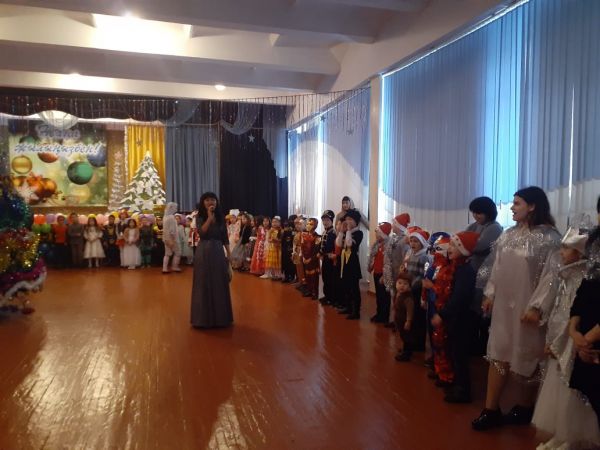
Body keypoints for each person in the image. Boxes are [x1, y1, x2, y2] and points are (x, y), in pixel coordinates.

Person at [472, 186, 561, 431]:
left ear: (532, 206)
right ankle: (490, 409)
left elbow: (552, 276)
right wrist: (490, 293)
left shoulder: (550, 239)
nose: (512, 207)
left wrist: (538, 307)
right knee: (498, 353)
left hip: (528, 309)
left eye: (517, 203)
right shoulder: (508, 235)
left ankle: (525, 406)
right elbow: (496, 267)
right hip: (503, 308)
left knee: (527, 356)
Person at [532, 228, 600, 450]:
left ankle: (574, 436)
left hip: (571, 344)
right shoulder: (567, 276)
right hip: (563, 339)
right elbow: (561, 312)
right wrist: (552, 339)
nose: (561, 252)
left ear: (581, 252)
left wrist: (562, 341)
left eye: (566, 248)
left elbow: (574, 313)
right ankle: (562, 433)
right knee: (558, 392)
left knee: (573, 393)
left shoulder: (582, 278)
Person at [431, 231, 479, 403]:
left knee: (459, 354)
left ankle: (463, 391)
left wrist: (443, 314)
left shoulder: (466, 271)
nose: (449, 248)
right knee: (452, 351)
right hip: (454, 318)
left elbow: (459, 298)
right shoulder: (456, 267)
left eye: (454, 245)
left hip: (461, 319)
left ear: (463, 250)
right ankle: (454, 382)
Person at [569, 198, 600, 431]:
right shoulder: (594, 242)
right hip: (587, 333)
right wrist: (574, 331)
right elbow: (584, 291)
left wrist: (587, 340)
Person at [467, 197, 503, 356]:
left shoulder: (494, 227)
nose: (475, 216)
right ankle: (474, 344)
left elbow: (478, 246)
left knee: (482, 312)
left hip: (485, 275)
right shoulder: (475, 225)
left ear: (488, 212)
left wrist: (467, 244)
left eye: (479, 213)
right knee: (473, 311)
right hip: (472, 272)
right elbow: (461, 239)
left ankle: (483, 347)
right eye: (474, 213)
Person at [190, 192, 233, 329]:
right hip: (203, 251)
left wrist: (229, 254)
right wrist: (209, 217)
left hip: (218, 251)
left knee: (219, 282)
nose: (210, 202)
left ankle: (221, 319)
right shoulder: (199, 217)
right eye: (207, 200)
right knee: (203, 283)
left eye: (213, 200)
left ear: (216, 202)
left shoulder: (221, 217)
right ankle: (202, 319)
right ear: (203, 202)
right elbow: (202, 232)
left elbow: (224, 237)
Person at [383, 213, 411, 326]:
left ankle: (400, 322)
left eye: (394, 224)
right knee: (394, 298)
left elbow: (406, 259)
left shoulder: (405, 241)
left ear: (399, 226)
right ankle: (395, 320)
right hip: (393, 273)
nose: (392, 226)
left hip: (399, 274)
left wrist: (402, 273)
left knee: (400, 299)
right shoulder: (394, 239)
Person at [338, 209, 364, 320]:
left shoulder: (358, 233)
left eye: (350, 219)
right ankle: (348, 307)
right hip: (344, 262)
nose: (347, 221)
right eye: (346, 219)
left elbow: (349, 244)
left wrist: (348, 231)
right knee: (346, 286)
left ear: (356, 221)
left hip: (353, 263)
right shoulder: (346, 232)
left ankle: (356, 311)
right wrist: (341, 231)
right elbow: (339, 244)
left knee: (354, 288)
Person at [368, 222, 392, 323]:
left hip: (384, 275)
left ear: (383, 233)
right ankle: (379, 314)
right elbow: (373, 257)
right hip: (377, 273)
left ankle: (384, 316)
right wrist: (370, 266)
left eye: (378, 233)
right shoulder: (377, 244)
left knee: (385, 296)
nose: (376, 235)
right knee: (379, 295)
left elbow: (389, 262)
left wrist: (384, 275)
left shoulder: (389, 245)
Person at [394, 272, 415, 362]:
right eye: (400, 283)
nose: (402, 286)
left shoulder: (408, 298)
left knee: (407, 337)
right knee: (403, 335)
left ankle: (407, 353)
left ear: (409, 286)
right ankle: (405, 349)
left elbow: (410, 310)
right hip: (400, 320)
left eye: (405, 284)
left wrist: (408, 321)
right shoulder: (399, 294)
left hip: (405, 321)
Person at [319, 211, 337, 305]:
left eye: (327, 220)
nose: (325, 222)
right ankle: (327, 296)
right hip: (325, 257)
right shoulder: (325, 232)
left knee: (330, 278)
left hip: (331, 258)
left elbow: (330, 247)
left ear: (331, 220)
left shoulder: (333, 232)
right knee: (325, 277)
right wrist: (320, 253)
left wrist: (322, 253)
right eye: (323, 220)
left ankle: (331, 298)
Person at [301, 218, 321, 299]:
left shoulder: (318, 237)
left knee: (314, 277)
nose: (308, 226)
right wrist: (303, 257)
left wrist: (310, 259)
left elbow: (317, 251)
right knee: (307, 276)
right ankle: (309, 290)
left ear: (315, 225)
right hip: (305, 259)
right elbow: (302, 247)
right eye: (307, 224)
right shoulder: (304, 235)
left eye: (311, 224)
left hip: (313, 260)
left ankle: (314, 293)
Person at [162, 202, 182, 274]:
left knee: (167, 254)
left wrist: (167, 239)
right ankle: (175, 267)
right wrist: (173, 240)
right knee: (178, 252)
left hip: (166, 238)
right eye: (175, 207)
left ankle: (164, 268)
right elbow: (172, 230)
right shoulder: (171, 217)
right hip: (173, 239)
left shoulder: (165, 217)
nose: (176, 209)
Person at [281, 215, 297, 283]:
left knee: (291, 264)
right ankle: (286, 276)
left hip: (292, 250)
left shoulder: (295, 231)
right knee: (285, 263)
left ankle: (292, 277)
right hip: (285, 250)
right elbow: (282, 241)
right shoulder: (284, 231)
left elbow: (294, 241)